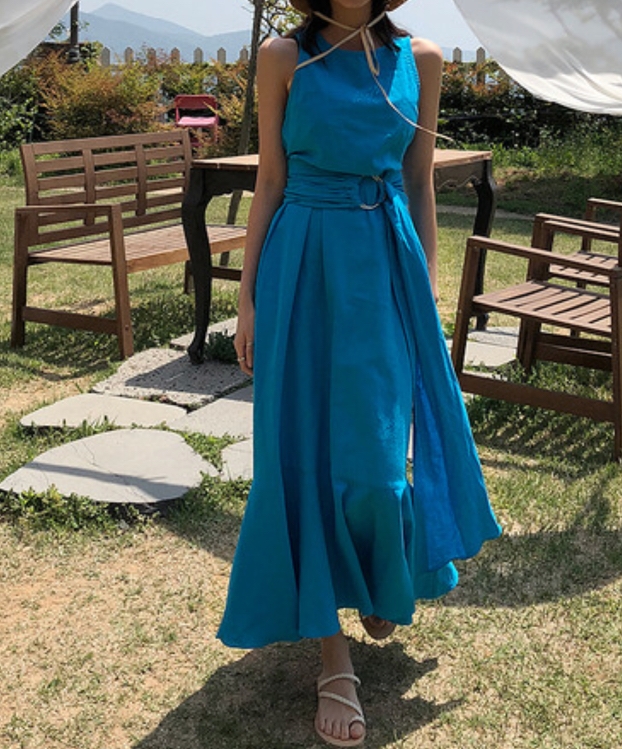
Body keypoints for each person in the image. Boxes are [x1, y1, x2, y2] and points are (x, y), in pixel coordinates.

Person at [217, 0, 502, 746]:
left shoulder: (422, 60)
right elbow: (270, 180)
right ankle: (332, 654)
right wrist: (248, 298)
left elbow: (420, 181)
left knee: (378, 462)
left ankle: (378, 574)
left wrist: (426, 288)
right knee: (301, 457)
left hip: (385, 263)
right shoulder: (283, 58)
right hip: (301, 263)